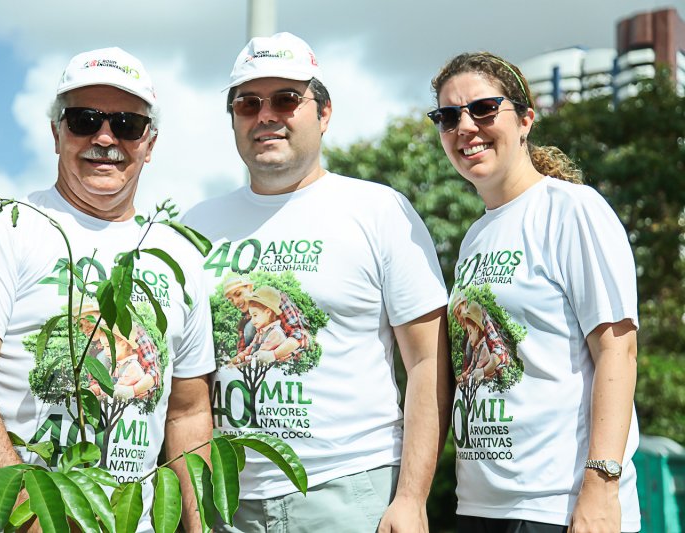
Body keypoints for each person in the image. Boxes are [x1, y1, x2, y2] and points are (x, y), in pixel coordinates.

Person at [0, 47, 214, 533]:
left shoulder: (178, 255)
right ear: (56, 133)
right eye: (84, 119)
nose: (105, 137)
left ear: (150, 142)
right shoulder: (5, 226)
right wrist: (40, 522)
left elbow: (188, 413)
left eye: (126, 124)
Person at [182, 32, 450, 532]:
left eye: (286, 99)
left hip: (350, 492)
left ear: (324, 114)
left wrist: (412, 497)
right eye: (247, 103)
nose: (266, 115)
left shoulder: (378, 210)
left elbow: (428, 361)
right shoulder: (195, 227)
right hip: (227, 502)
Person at [429, 51, 640, 532]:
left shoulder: (572, 209)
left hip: (557, 506)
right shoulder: (475, 237)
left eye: (483, 108)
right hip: (482, 505)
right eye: (448, 116)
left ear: (525, 119)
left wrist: (601, 485)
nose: (465, 126)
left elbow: (618, 350)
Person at [223, 271, 310, 363]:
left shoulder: (274, 299)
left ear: (250, 287)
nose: (235, 302)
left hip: (282, 362)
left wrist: (275, 354)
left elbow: (300, 335)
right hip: (257, 365)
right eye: (231, 299)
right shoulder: (245, 320)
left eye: (238, 294)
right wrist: (232, 363)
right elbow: (244, 351)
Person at [230, 286, 288, 367]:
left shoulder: (275, 333)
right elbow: (248, 351)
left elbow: (257, 360)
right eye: (251, 316)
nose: (252, 321)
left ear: (268, 312)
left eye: (255, 315)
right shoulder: (260, 333)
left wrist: (235, 367)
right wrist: (234, 360)